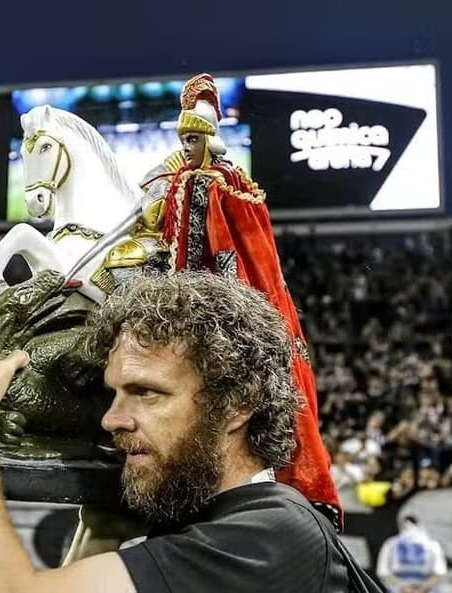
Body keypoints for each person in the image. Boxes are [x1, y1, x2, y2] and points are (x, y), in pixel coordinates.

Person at [0, 272, 380, 593]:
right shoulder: (211, 526)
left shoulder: (271, 537)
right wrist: (102, 530)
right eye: (114, 393)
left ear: (238, 404)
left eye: (147, 393)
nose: (112, 419)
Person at [103, 72, 340, 524]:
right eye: (185, 139)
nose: (189, 146)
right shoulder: (180, 175)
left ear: (209, 137)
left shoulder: (226, 183)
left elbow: (236, 240)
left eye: (195, 138)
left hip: (214, 282)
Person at [376, 515, 447, 593]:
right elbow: (440, 572)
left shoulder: (390, 543)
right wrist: (417, 588)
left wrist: (417, 588)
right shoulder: (432, 544)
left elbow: (383, 572)